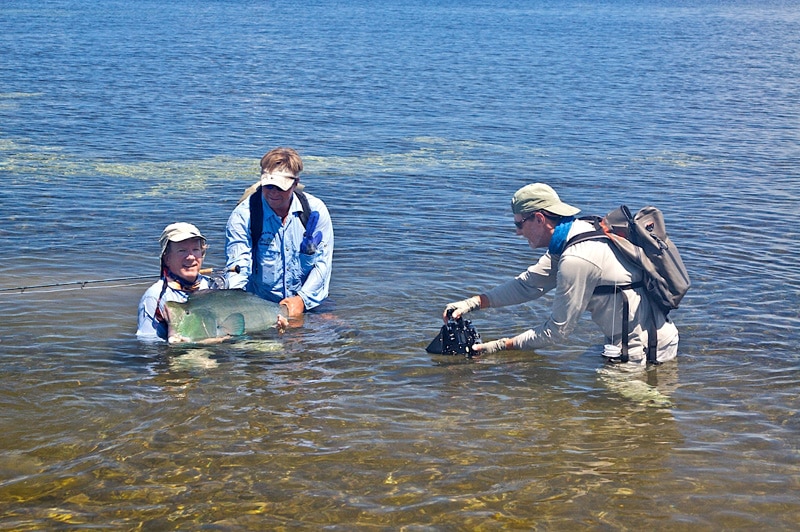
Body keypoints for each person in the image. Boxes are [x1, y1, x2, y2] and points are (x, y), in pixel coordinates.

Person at [443, 183, 679, 366]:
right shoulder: (578, 232)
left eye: (518, 224)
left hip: (643, 350)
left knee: (620, 419)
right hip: (640, 341)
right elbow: (529, 284)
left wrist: (501, 347)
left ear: (539, 218)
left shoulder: (576, 258)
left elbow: (557, 331)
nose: (517, 233)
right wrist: (473, 303)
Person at [225, 147, 333, 318]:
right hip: (260, 305)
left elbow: (323, 264)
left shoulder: (314, 211)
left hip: (308, 302)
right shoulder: (243, 216)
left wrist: (301, 300)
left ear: (295, 184)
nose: (273, 193)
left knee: (343, 335)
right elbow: (238, 264)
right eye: (268, 186)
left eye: (280, 188)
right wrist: (235, 301)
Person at [136, 222, 214, 341]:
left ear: (202, 254)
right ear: (167, 259)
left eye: (196, 249)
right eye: (182, 251)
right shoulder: (154, 297)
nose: (191, 257)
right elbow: (149, 346)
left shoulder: (214, 286)